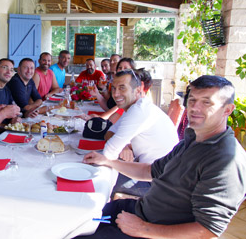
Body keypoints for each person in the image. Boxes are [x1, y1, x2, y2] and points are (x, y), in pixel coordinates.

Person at [78, 75, 246, 239]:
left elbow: (207, 230)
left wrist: (143, 229)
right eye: (193, 100)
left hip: (154, 230)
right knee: (75, 218)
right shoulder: (191, 139)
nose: (195, 107)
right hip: (139, 210)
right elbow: (149, 170)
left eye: (207, 102)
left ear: (227, 110)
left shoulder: (226, 158)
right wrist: (108, 162)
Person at [104, 69, 178, 197]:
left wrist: (116, 147)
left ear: (138, 90)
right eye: (114, 88)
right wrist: (124, 145)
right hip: (146, 171)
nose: (116, 94)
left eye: (122, 88)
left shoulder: (139, 111)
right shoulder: (134, 108)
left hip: (159, 184)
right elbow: (109, 132)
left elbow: (109, 152)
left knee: (100, 181)